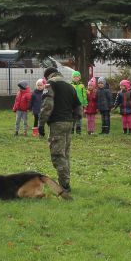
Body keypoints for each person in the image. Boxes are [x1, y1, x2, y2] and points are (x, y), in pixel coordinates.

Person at [40, 66, 81, 198]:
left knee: (58, 155)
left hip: (57, 123)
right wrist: (73, 119)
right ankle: (66, 181)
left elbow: (47, 105)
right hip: (69, 123)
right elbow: (78, 106)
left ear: (48, 76)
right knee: (65, 154)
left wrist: (41, 124)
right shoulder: (70, 86)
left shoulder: (50, 84)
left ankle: (64, 186)